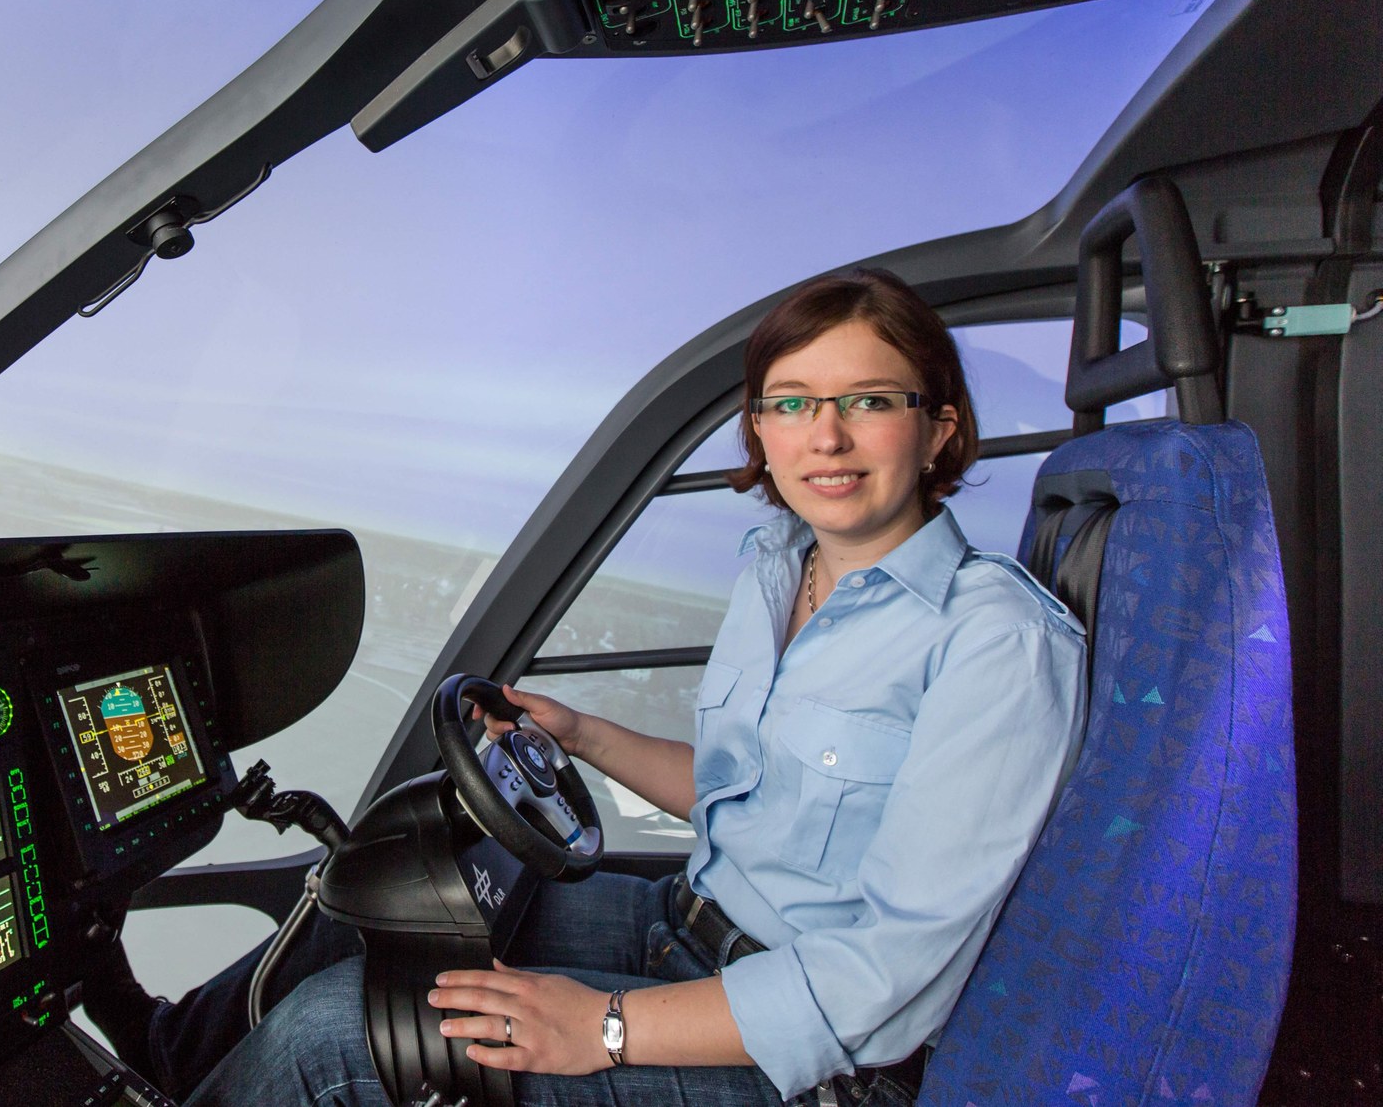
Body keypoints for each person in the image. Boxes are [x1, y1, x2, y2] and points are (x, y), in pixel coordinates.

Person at [82, 268, 1086, 1106]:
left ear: (939, 429)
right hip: (686, 924)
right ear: (760, 429)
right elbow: (752, 797)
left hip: (813, 1060)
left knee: (342, 1032)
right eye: (791, 402)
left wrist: (601, 1027)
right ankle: (171, 1058)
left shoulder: (996, 641)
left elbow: (885, 978)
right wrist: (580, 732)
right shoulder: (780, 570)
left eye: (868, 401)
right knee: (385, 884)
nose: (824, 436)